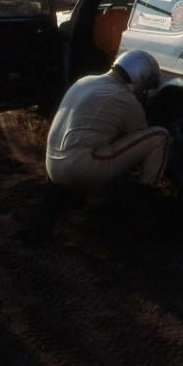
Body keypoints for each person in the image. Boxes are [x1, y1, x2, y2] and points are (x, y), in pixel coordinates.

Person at [34, 50, 169, 236]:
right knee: (160, 136)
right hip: (79, 168)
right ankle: (143, 199)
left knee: (102, 138)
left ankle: (91, 195)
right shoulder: (125, 98)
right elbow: (139, 137)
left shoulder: (85, 81)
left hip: (53, 167)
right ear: (140, 75)